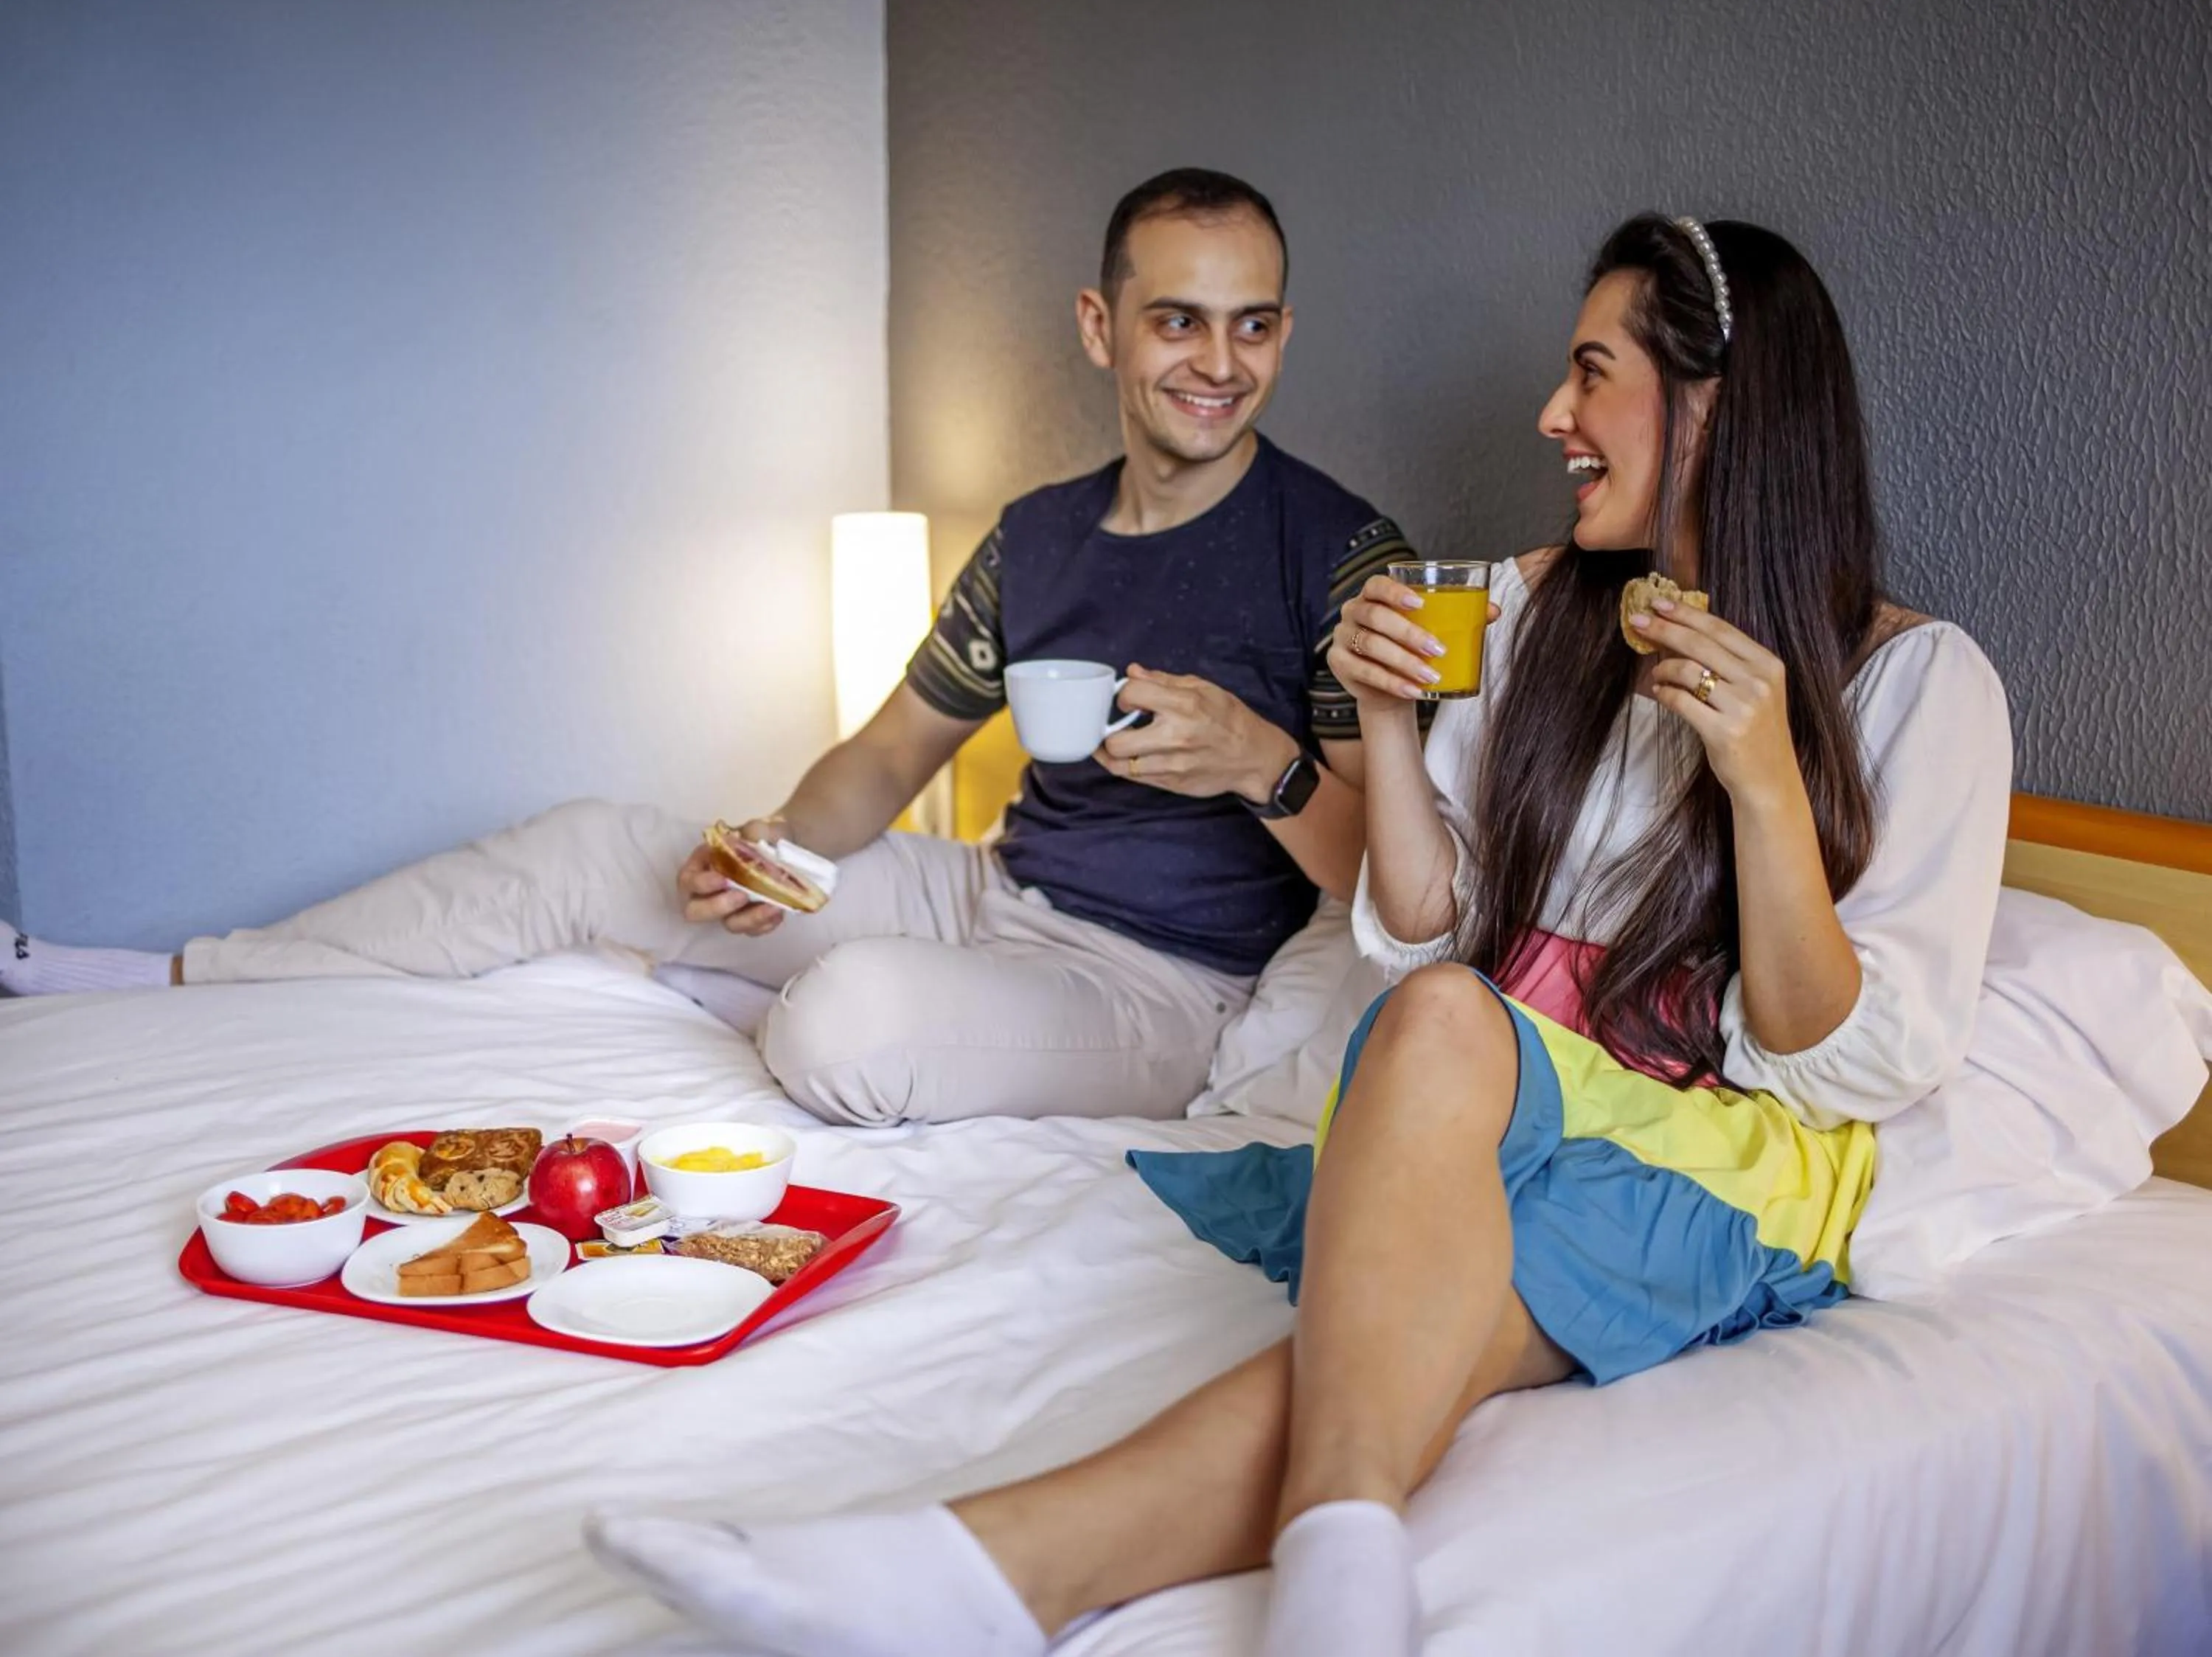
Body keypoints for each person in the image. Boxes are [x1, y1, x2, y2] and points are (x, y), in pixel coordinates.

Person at [577, 213, 2014, 1656]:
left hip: (1726, 1160)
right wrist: (1384, 722)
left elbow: (1855, 1068)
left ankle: (970, 1568)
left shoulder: (1914, 683)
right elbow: (1423, 931)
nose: (1552, 417)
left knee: (1428, 1112)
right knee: (1410, 1215)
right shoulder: (1526, 617)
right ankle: (1119, 1580)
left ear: (1714, 404)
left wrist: (1762, 782)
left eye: (1592, 374)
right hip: (1505, 1115)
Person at [1, 169, 1420, 1128]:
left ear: (1284, 332)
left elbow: (1392, 890)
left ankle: (732, 989)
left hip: (1161, 983)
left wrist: (1261, 765)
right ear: (1102, 328)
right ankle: (186, 976)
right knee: (588, 846)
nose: (1217, 363)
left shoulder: (1341, 556)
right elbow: (887, 755)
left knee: (845, 1025)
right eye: (1179, 320)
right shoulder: (1040, 534)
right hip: (990, 888)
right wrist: (770, 849)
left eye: (1252, 325)